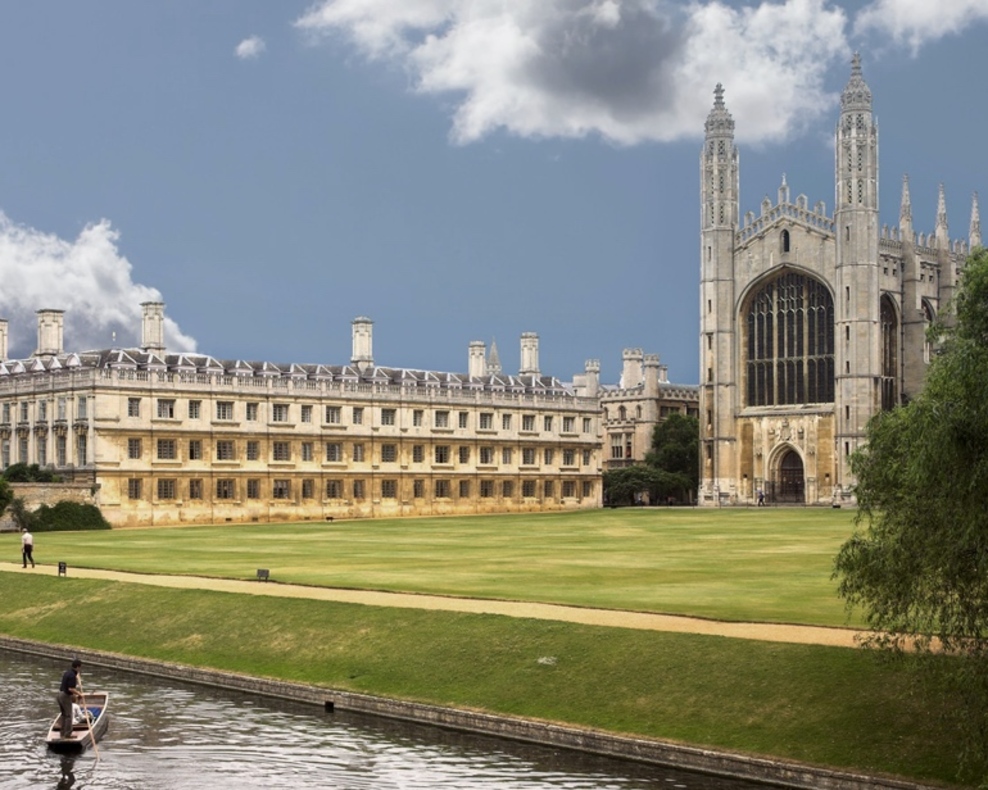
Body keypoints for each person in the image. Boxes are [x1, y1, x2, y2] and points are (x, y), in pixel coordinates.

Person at [57, 659, 83, 739]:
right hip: (65, 696)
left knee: (64, 715)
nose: (80, 669)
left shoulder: (67, 673)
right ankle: (67, 734)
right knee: (68, 716)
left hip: (59, 695)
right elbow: (70, 689)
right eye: (80, 667)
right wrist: (79, 694)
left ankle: (62, 733)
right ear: (78, 667)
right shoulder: (72, 676)